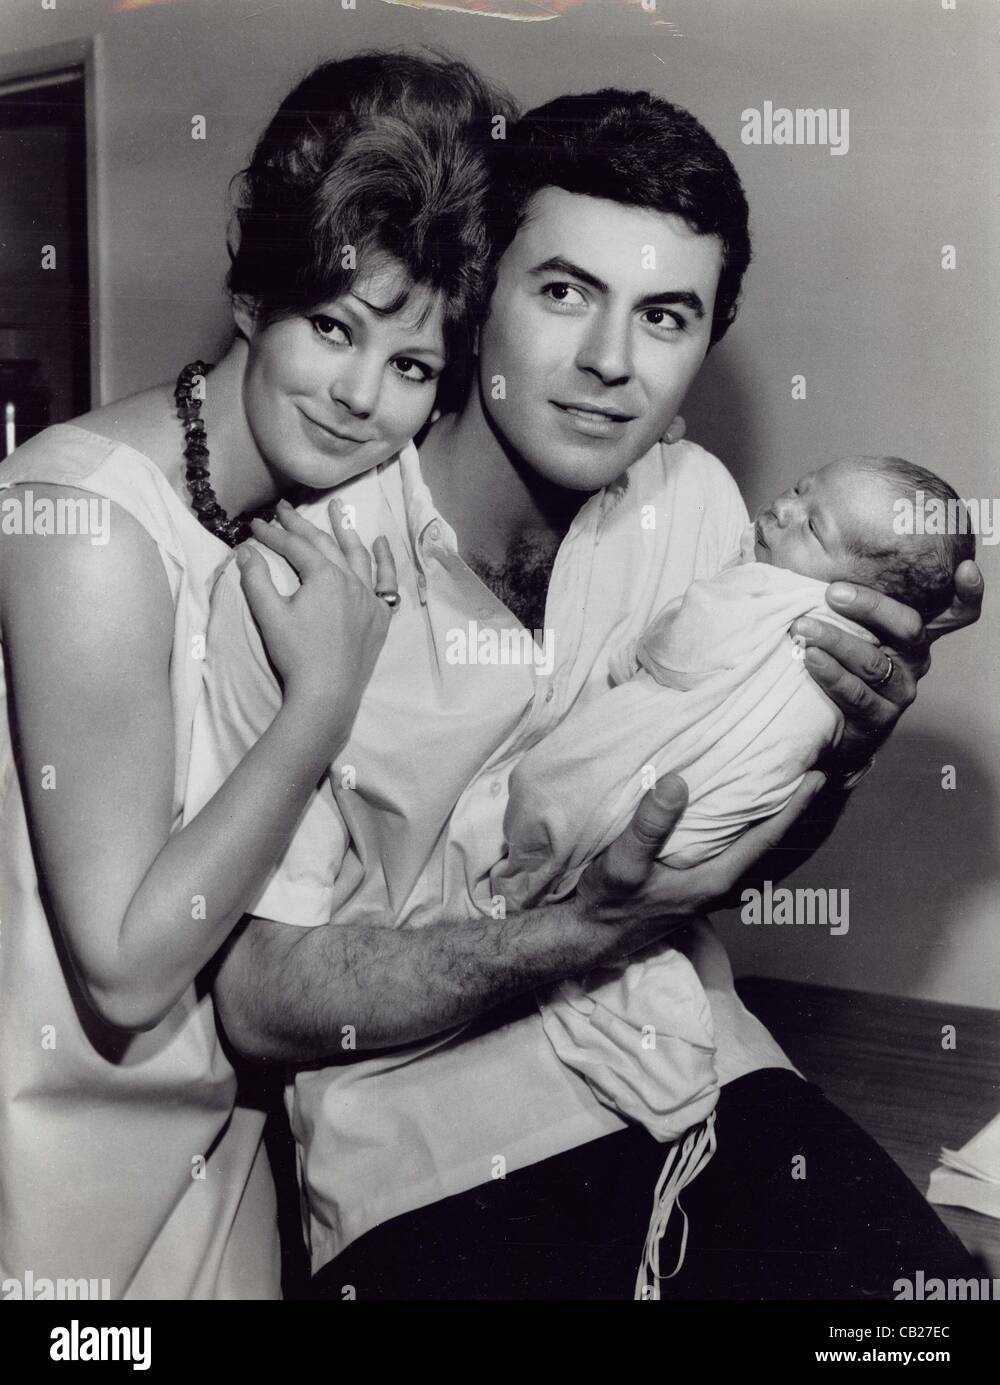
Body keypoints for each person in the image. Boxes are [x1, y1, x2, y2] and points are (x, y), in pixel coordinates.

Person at [194, 88, 984, 1300]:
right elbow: (255, 1000)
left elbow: (728, 849)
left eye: (663, 315)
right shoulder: (302, 572)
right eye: (564, 292)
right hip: (430, 1156)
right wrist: (570, 932)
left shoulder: (709, 512)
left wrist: (836, 749)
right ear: (474, 296)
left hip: (704, 1082)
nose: (612, 363)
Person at [0, 51, 510, 1300]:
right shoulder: (85, 523)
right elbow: (124, 965)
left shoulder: (321, 522)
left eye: (411, 366)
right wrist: (320, 705)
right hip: (47, 1155)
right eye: (333, 328)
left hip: (220, 1134)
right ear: (252, 295)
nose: (357, 397)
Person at [496, 454, 977, 903]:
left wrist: (637, 653)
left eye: (813, 527)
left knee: (557, 790)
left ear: (855, 590)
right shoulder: (844, 628)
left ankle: (528, 880)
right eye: (798, 488)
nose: (784, 508)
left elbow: (676, 647)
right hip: (695, 840)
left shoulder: (771, 591)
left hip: (641, 809)